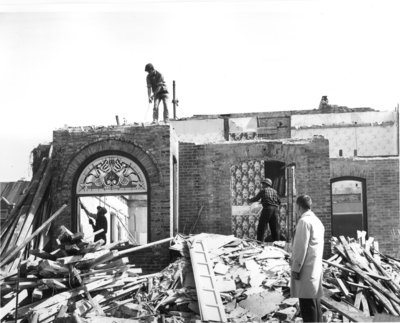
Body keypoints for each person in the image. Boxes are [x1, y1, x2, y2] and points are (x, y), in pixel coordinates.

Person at [291, 194, 325, 323]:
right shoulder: (317, 221)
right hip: (315, 268)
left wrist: (295, 268)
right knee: (315, 304)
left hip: (305, 269)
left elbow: (300, 248)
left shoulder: (304, 222)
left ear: (298, 206)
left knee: (307, 306)